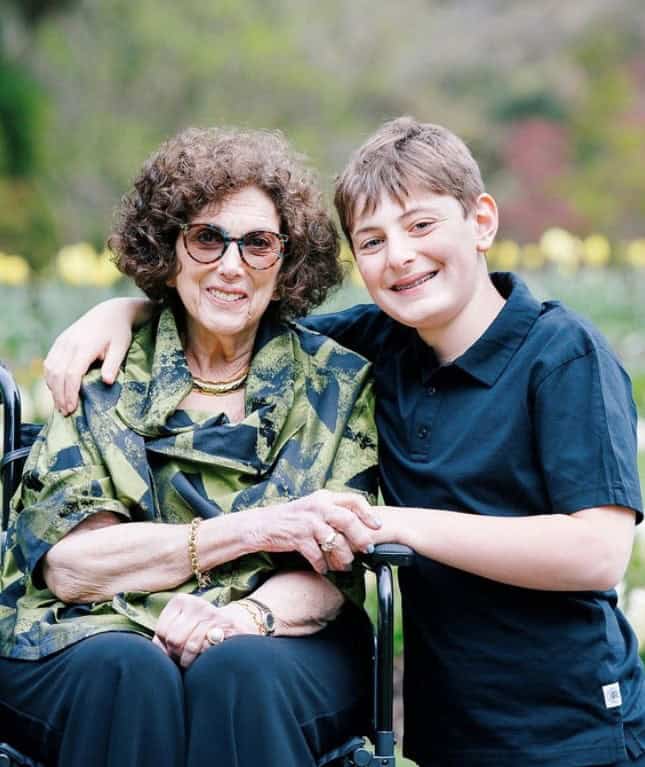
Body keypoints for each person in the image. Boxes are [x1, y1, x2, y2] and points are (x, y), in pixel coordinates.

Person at [45, 116, 645, 767]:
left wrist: (393, 522)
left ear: (480, 222)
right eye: (372, 240)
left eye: (420, 225)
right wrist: (119, 311)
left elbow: (595, 552)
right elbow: (232, 308)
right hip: (449, 728)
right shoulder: (379, 344)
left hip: (571, 723)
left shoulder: (560, 354)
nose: (400, 256)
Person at [0, 126, 383, 767]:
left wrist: (246, 618)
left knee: (238, 672)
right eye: (207, 238)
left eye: (257, 243)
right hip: (89, 632)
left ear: (285, 261)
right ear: (168, 251)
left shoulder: (338, 383)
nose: (231, 265)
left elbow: (334, 570)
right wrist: (256, 529)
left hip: (277, 633)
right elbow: (72, 567)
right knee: (129, 668)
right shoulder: (103, 376)